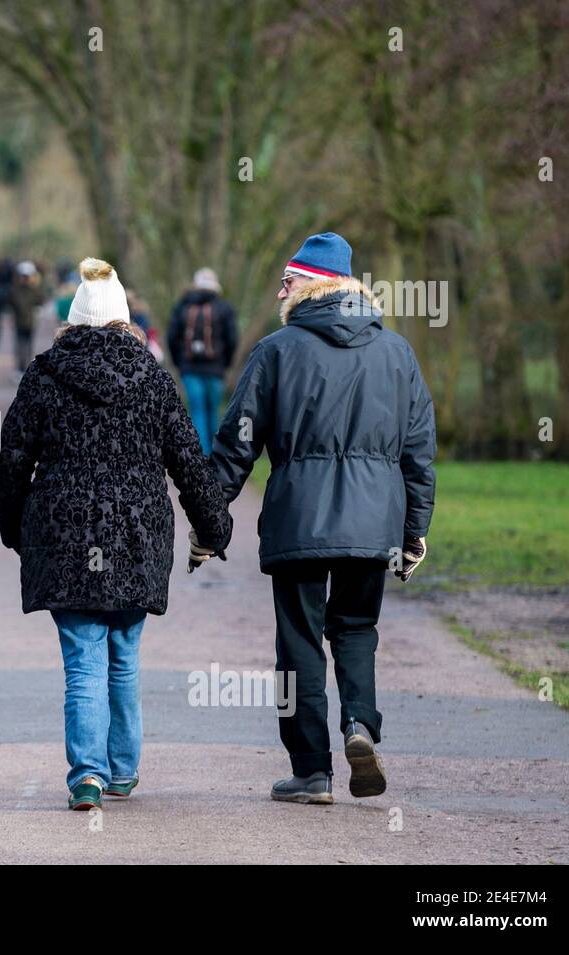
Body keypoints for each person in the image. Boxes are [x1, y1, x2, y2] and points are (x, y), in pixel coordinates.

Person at [0, 258, 233, 812]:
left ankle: (88, 776)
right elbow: (188, 463)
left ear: (72, 320)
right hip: (137, 535)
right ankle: (122, 770)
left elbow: (12, 462)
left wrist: (16, 531)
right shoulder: (152, 378)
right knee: (123, 653)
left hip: (64, 534)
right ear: (126, 320)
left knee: (82, 660)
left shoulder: (45, 375)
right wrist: (214, 526)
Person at [206, 232, 436, 805]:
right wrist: (414, 530)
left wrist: (210, 518)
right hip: (374, 524)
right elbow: (419, 450)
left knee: (299, 643)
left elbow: (238, 443)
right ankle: (360, 725)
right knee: (356, 631)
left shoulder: (277, 350)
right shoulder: (397, 353)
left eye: (288, 279)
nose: (279, 289)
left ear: (316, 283)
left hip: (299, 522)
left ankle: (312, 772)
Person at [167, 268, 239, 455]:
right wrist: (226, 363)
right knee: (213, 411)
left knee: (197, 411)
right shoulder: (224, 307)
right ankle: (216, 456)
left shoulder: (182, 306)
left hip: (190, 368)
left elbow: (171, 337)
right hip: (215, 368)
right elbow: (232, 339)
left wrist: (179, 363)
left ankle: (201, 457)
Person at [8, 260, 44, 379]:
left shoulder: (35, 290)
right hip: (19, 322)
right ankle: (20, 368)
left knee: (28, 346)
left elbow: (40, 302)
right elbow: (12, 303)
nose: (25, 279)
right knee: (19, 346)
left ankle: (26, 368)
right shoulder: (14, 290)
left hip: (30, 323)